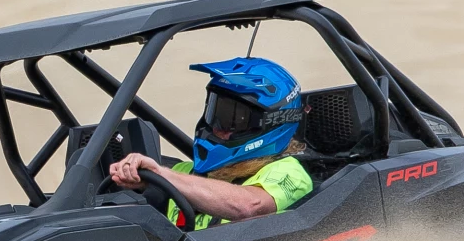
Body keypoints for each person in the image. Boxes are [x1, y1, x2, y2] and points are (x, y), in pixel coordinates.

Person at [106, 57, 313, 229]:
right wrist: (137, 178)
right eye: (215, 113)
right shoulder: (183, 172)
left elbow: (250, 206)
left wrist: (162, 175)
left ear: (270, 123)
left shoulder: (289, 172)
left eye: (234, 119)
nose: (217, 128)